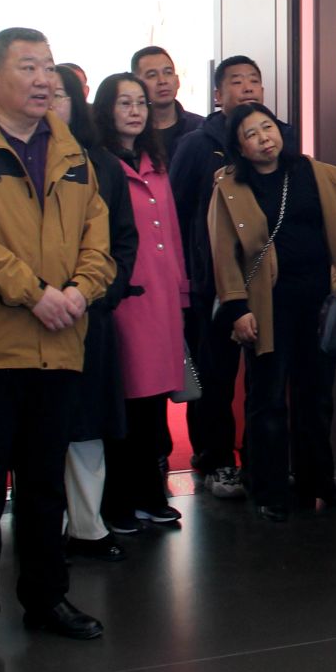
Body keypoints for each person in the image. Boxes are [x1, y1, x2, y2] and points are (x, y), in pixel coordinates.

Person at [0, 28, 116, 663]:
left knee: (43, 484)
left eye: (48, 67)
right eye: (28, 67)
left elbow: (98, 239)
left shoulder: (72, 152)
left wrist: (81, 292)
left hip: (59, 342)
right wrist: (34, 293)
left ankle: (46, 598)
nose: (42, 80)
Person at [207, 102, 336, 522]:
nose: (263, 138)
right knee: (267, 399)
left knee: (317, 398)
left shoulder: (317, 173)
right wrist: (237, 308)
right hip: (265, 307)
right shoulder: (230, 186)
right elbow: (223, 254)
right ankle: (268, 488)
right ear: (240, 147)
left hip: (320, 304)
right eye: (251, 134)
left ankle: (318, 482)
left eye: (267, 127)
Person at [169, 55, 294, 499]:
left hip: (273, 285)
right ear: (218, 95)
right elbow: (177, 211)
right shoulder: (197, 145)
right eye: (236, 82)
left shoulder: (284, 138)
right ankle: (215, 459)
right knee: (216, 377)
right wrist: (190, 274)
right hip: (213, 283)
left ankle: (262, 463)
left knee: (268, 380)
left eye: (254, 81)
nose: (247, 88)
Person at [94, 72, 190, 530]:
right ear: (106, 110)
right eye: (124, 103)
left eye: (140, 103)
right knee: (126, 404)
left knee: (154, 406)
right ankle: (118, 501)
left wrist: (182, 290)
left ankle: (151, 494)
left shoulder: (157, 161)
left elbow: (171, 231)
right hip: (125, 300)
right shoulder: (100, 165)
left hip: (163, 300)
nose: (135, 111)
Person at [53, 63, 139, 563]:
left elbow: (123, 240)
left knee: (87, 424)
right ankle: (43, 526)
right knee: (41, 426)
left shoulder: (102, 164)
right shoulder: (11, 161)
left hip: (91, 312)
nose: (51, 104)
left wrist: (100, 292)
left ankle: (88, 526)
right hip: (29, 312)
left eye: (61, 95)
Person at [132, 45, 205, 163]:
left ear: (177, 81)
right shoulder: (131, 131)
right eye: (152, 75)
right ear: (136, 84)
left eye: (168, 72)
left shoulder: (201, 127)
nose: (162, 81)